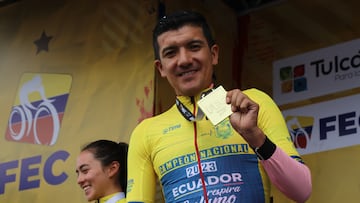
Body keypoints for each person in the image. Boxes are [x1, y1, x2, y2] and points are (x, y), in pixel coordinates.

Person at [126, 10, 312, 203]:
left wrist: (255, 136)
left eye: (194, 46)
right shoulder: (145, 133)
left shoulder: (254, 104)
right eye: (171, 53)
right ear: (161, 68)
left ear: (214, 54)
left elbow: (301, 190)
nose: (184, 60)